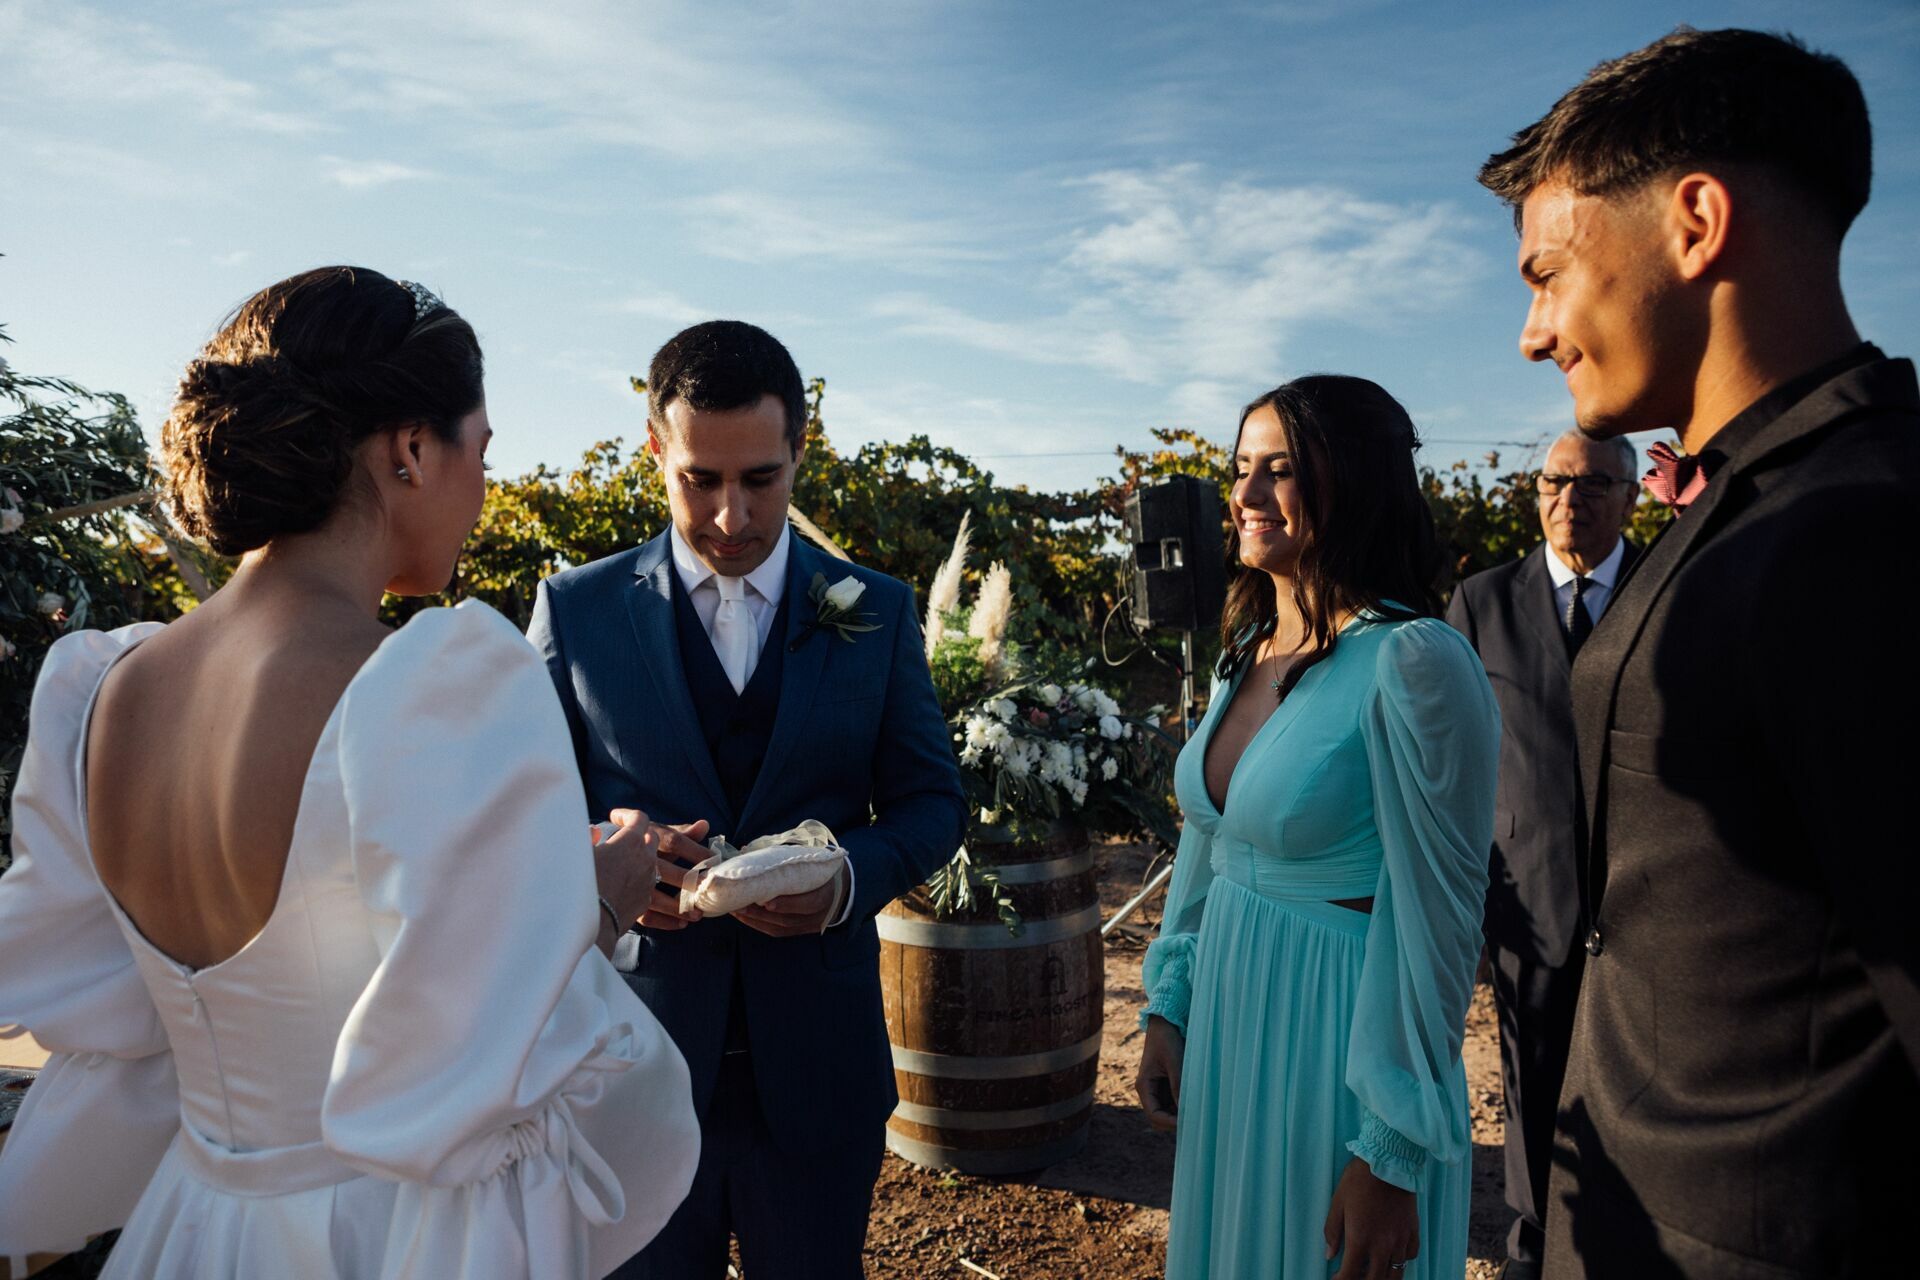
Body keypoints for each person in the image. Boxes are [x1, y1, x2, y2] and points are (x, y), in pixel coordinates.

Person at [0, 267, 700, 1279]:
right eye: (481, 450)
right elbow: (475, 1062)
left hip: (197, 1221)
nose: (484, 487)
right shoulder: (432, 686)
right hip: (383, 1233)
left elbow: (105, 999)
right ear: (410, 449)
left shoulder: (103, 690)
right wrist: (595, 897)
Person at [1480, 27, 1920, 1277]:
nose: (1532, 332)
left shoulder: (1865, 528)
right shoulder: (1746, 499)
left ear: (1696, 223)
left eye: (1548, 273)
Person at [527, 319, 966, 1279]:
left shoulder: (877, 609)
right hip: (628, 1069)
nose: (731, 516)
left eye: (761, 479)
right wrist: (602, 858)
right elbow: (518, 817)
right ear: (656, 450)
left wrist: (846, 881)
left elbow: (934, 803)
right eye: (701, 480)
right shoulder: (574, 609)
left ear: (801, 450)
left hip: (818, 1072)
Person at [1133, 375, 1499, 1280]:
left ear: (1356, 482)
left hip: (1337, 1039)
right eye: (1241, 468)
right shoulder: (1247, 651)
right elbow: (1209, 847)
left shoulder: (1415, 659)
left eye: (1282, 469)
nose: (1247, 495)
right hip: (1233, 1026)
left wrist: (1392, 1149)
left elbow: (1442, 924)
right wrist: (1170, 1004)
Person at [1444, 428, 1640, 1280]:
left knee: (1639, 1079)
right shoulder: (1481, 601)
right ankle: (1534, 1243)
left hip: (1646, 890)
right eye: (1556, 481)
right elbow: (1449, 754)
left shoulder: (1666, 588)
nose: (1571, 498)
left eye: (1593, 483)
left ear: (1631, 495)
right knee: (1531, 1076)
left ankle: (1631, 1237)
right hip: (1526, 888)